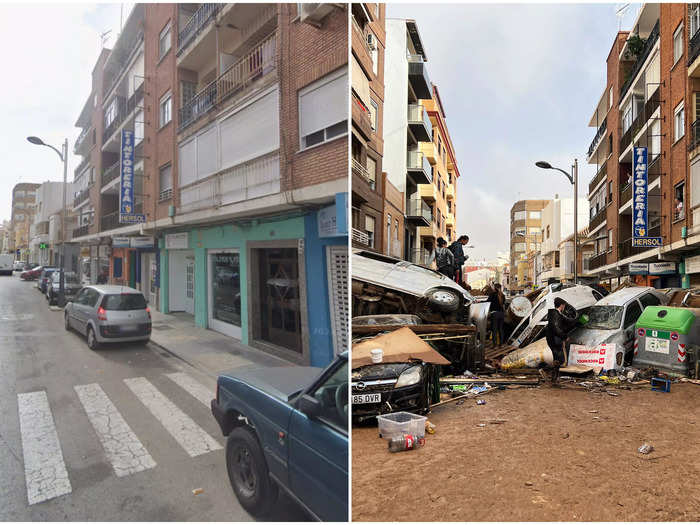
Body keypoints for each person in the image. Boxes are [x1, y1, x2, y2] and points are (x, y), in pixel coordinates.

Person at [543, 297, 569, 386]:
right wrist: (565, 337)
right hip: (555, 338)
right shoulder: (555, 315)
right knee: (558, 358)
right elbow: (557, 329)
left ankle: (554, 377)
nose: (564, 307)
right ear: (561, 305)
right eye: (564, 305)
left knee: (556, 358)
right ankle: (552, 376)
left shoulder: (554, 314)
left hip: (552, 338)